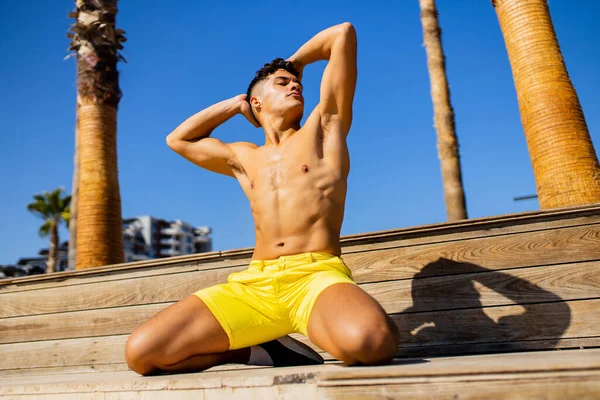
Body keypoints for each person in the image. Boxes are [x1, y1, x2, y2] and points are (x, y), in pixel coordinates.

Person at [125, 22, 399, 376]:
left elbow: (342, 34)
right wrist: (235, 105)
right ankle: (251, 349)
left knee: (372, 343)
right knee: (143, 354)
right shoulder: (244, 158)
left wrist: (293, 63)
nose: (295, 85)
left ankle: (285, 334)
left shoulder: (324, 128)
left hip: (315, 277)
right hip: (255, 286)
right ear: (257, 102)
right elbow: (178, 140)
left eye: (296, 82)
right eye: (281, 83)